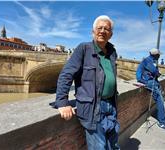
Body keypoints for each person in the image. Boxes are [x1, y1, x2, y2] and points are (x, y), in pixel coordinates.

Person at [51, 15, 120, 149]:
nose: (102, 31)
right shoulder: (84, 49)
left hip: (111, 106)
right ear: (93, 31)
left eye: (106, 29)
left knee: (113, 145)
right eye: (99, 28)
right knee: (99, 147)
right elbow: (66, 75)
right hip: (93, 108)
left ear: (111, 34)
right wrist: (62, 102)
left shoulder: (112, 53)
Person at [136, 48, 165, 132]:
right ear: (156, 55)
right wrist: (156, 73)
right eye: (159, 55)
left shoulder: (151, 61)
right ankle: (162, 122)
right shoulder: (148, 61)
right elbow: (155, 72)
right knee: (160, 101)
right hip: (149, 82)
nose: (159, 56)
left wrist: (157, 73)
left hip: (153, 81)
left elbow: (155, 72)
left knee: (161, 100)